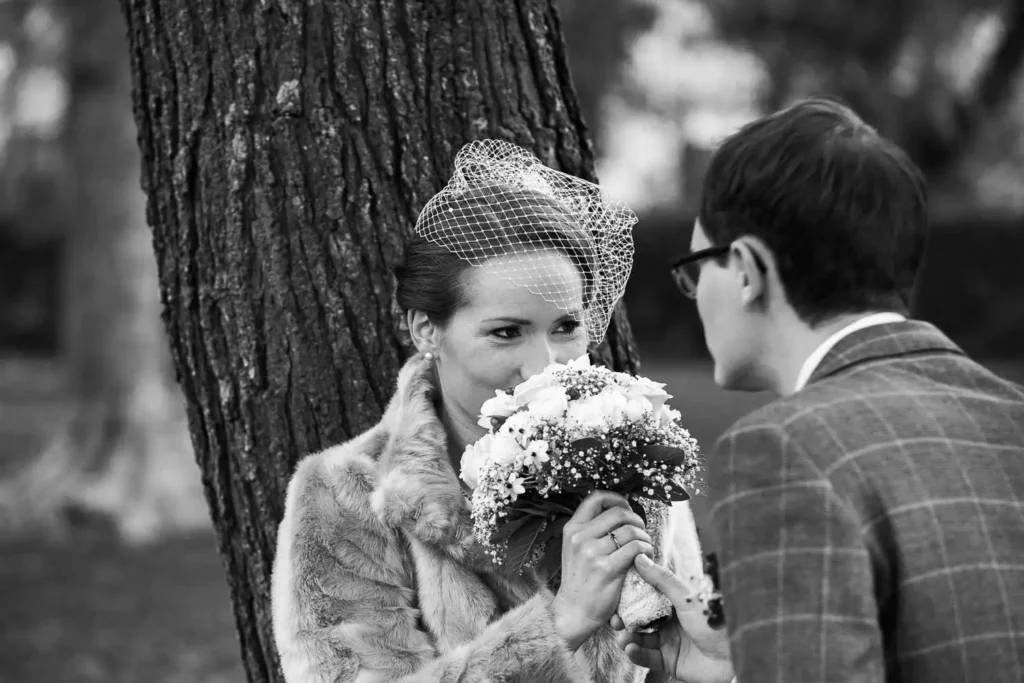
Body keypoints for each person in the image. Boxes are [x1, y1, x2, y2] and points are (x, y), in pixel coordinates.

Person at [623, 97, 1024, 682]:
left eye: (695, 267)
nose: (693, 291)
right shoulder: (1012, 415)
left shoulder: (783, 450)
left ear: (745, 269)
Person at [270, 140, 651, 683]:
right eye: (505, 333)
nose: (546, 368)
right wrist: (557, 624)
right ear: (427, 329)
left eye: (565, 327)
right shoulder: (345, 491)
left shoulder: (630, 457)